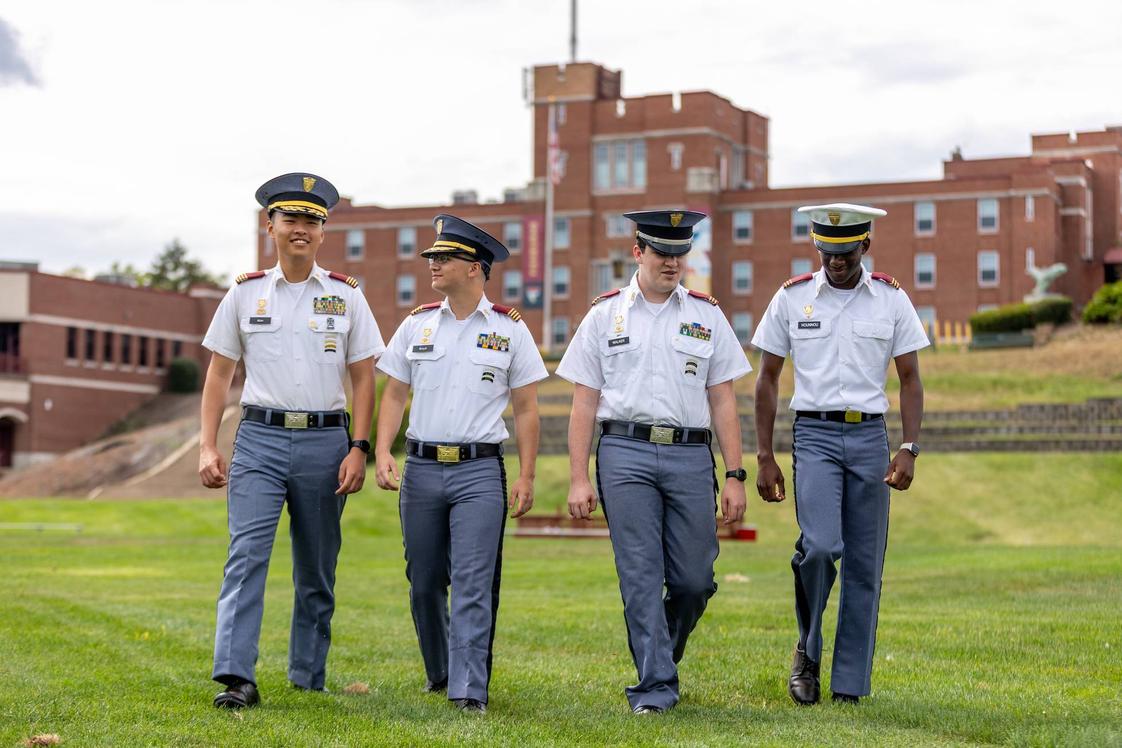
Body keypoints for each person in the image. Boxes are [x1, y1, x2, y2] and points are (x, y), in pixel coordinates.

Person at [198, 172, 384, 708]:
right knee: (246, 556)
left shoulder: (347, 297)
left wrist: (360, 447)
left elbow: (365, 377)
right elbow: (218, 374)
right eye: (291, 219)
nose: (300, 229)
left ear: (323, 232)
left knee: (317, 567)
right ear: (270, 226)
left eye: (311, 220)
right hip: (259, 439)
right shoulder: (245, 293)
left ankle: (308, 673)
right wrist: (208, 445)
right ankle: (236, 677)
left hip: (327, 444)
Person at [556, 210, 752, 715]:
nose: (672, 262)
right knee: (640, 574)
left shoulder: (707, 315)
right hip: (624, 453)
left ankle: (659, 652)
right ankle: (655, 687)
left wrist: (734, 474)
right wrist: (579, 477)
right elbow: (583, 400)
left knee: (693, 580)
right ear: (638, 252)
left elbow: (724, 399)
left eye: (680, 252)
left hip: (690, 454)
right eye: (662, 252)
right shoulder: (604, 315)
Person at [751, 202, 928, 706]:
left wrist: (909, 446)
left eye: (845, 253)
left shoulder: (892, 300)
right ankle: (807, 650)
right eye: (827, 253)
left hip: (870, 437)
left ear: (864, 246)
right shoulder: (791, 299)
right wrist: (764, 454)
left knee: (865, 566)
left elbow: (911, 378)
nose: (836, 262)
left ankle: (849, 682)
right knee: (822, 546)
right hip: (815, 435)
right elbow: (766, 379)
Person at [374, 214, 548, 714]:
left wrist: (528, 475)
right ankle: (441, 671)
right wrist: (383, 450)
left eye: (443, 258)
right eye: (432, 256)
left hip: (479, 472)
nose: (433, 264)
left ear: (475, 268)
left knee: (474, 580)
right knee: (424, 579)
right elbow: (393, 395)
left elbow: (527, 408)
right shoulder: (416, 324)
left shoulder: (509, 331)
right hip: (423, 469)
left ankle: (469, 689)